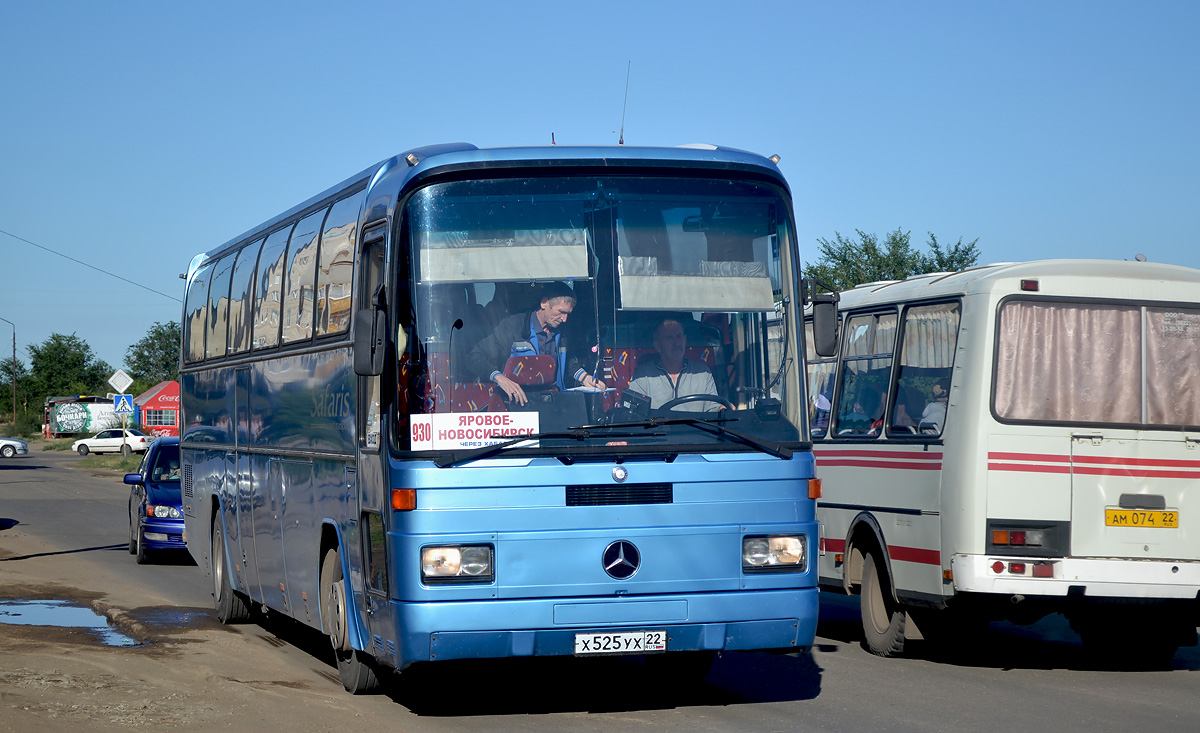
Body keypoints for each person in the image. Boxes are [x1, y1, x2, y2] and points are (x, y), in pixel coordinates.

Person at [466, 281, 605, 405]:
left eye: (568, 314)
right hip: (517, 403)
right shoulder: (513, 327)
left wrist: (585, 378)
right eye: (561, 312)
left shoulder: (563, 331)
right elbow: (474, 357)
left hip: (554, 402)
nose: (564, 319)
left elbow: (566, 363)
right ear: (544, 303)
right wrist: (500, 378)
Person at [627, 317, 720, 413]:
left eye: (679, 336)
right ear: (658, 346)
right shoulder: (642, 376)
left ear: (685, 340)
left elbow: (713, 410)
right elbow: (635, 415)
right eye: (669, 338)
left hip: (698, 428)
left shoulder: (702, 373)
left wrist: (722, 410)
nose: (676, 343)